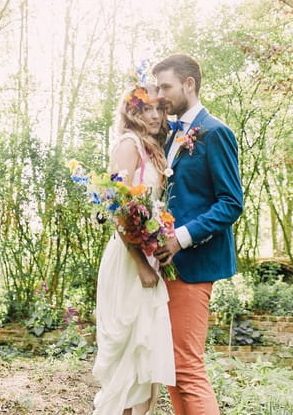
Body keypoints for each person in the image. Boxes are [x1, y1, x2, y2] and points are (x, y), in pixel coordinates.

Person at [152, 53, 243, 415]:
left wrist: (180, 238)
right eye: (157, 87)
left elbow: (230, 202)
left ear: (189, 84)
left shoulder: (216, 132)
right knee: (171, 369)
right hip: (167, 265)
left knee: (186, 366)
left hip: (193, 263)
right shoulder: (171, 133)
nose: (160, 95)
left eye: (166, 87)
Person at [93, 82, 176, 415]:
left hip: (149, 256)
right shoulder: (128, 145)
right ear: (132, 111)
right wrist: (140, 264)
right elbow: (115, 207)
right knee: (131, 350)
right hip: (129, 261)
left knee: (147, 356)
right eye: (146, 109)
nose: (155, 115)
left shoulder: (153, 148)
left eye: (159, 108)